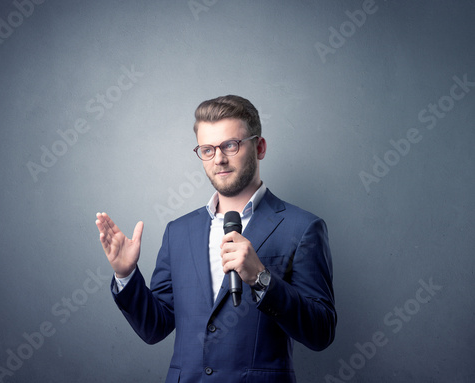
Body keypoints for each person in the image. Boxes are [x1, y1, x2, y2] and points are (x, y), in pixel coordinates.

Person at [95, 95, 336, 383]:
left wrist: (261, 278)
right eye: (207, 150)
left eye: (230, 145)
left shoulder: (303, 227)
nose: (218, 158)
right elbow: (155, 327)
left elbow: (321, 332)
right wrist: (126, 275)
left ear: (259, 147)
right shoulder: (179, 231)